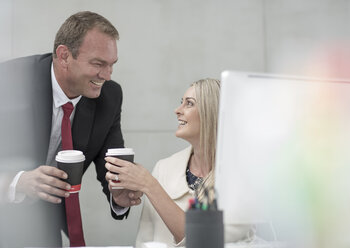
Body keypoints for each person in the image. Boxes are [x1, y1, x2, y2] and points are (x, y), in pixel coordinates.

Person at [0, 11, 142, 247]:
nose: (106, 76)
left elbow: (113, 164)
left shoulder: (109, 96)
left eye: (111, 65)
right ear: (64, 55)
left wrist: (119, 194)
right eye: (98, 64)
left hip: (44, 227)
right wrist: (18, 182)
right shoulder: (9, 83)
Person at [106, 78, 249, 247]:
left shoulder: (242, 178)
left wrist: (150, 186)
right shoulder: (164, 168)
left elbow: (209, 242)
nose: (177, 110)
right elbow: (144, 242)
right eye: (181, 102)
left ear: (211, 113)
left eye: (189, 104)